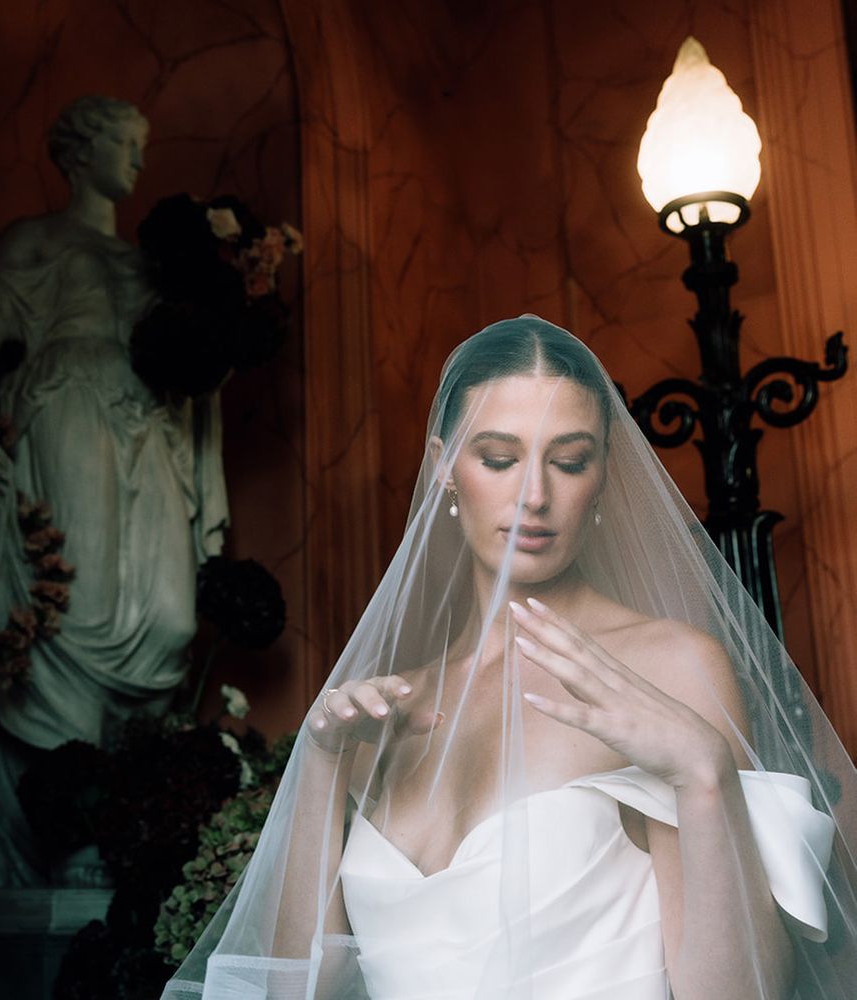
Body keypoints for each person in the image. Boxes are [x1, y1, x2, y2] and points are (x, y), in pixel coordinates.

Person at [161, 316, 856, 998]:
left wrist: (705, 774)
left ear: (603, 476)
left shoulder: (670, 667)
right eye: (498, 458)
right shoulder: (385, 712)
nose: (535, 495)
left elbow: (740, 994)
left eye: (570, 460)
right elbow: (295, 993)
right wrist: (318, 764)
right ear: (444, 468)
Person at [0, 96, 228, 888]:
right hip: (67, 413)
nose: (137, 159)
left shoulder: (155, 265)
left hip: (148, 425)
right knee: (77, 608)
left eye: (141, 145)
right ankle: (76, 825)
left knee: (169, 614)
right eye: (124, 142)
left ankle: (124, 810)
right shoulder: (37, 241)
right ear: (79, 152)